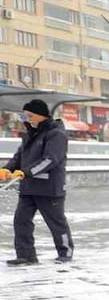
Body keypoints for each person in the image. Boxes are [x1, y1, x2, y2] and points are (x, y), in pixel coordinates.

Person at [1, 100, 74, 266]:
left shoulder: (56, 134)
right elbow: (19, 157)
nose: (28, 119)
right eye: (26, 116)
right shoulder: (30, 134)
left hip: (49, 188)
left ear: (42, 115)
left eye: (30, 116)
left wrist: (26, 172)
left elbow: (50, 160)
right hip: (28, 187)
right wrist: (6, 169)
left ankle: (65, 253)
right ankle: (26, 255)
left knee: (56, 223)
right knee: (21, 221)